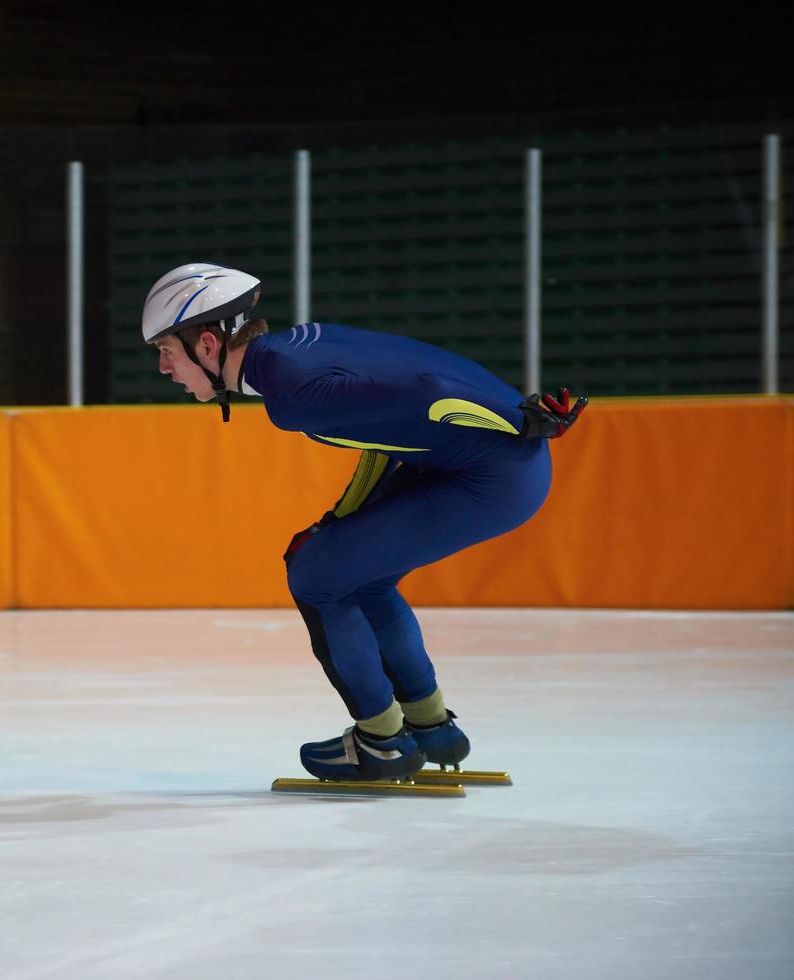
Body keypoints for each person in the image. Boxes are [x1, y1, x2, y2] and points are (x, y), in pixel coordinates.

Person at [141, 263, 586, 782]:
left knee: (317, 575)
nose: (165, 370)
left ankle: (381, 744)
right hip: (484, 465)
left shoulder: (290, 391)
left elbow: (429, 391)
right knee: (351, 572)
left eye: (167, 353)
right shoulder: (294, 350)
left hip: (493, 475)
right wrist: (340, 520)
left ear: (208, 345)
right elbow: (384, 435)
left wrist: (520, 420)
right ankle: (430, 726)